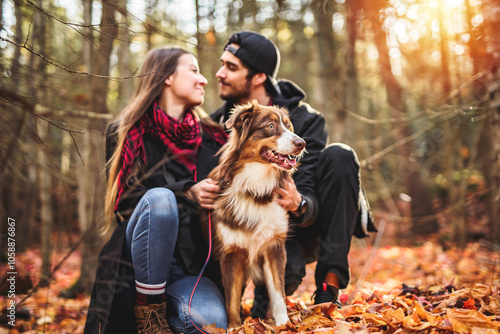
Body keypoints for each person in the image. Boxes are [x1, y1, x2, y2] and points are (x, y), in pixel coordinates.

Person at [211, 31, 377, 317]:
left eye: (231, 67)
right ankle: (255, 302)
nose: (219, 73)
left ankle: (329, 289)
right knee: (272, 291)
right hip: (244, 228)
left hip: (298, 228)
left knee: (341, 155)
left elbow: (310, 190)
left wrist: (299, 203)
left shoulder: (307, 120)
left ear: (259, 76)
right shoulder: (218, 124)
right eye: (222, 64)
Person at [84, 47, 229, 334]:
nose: (204, 80)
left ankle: (163, 322)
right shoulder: (126, 131)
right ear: (167, 77)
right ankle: (150, 314)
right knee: (160, 200)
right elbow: (123, 204)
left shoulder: (214, 138)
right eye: (194, 70)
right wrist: (186, 192)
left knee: (208, 326)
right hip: (135, 269)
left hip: (190, 271)